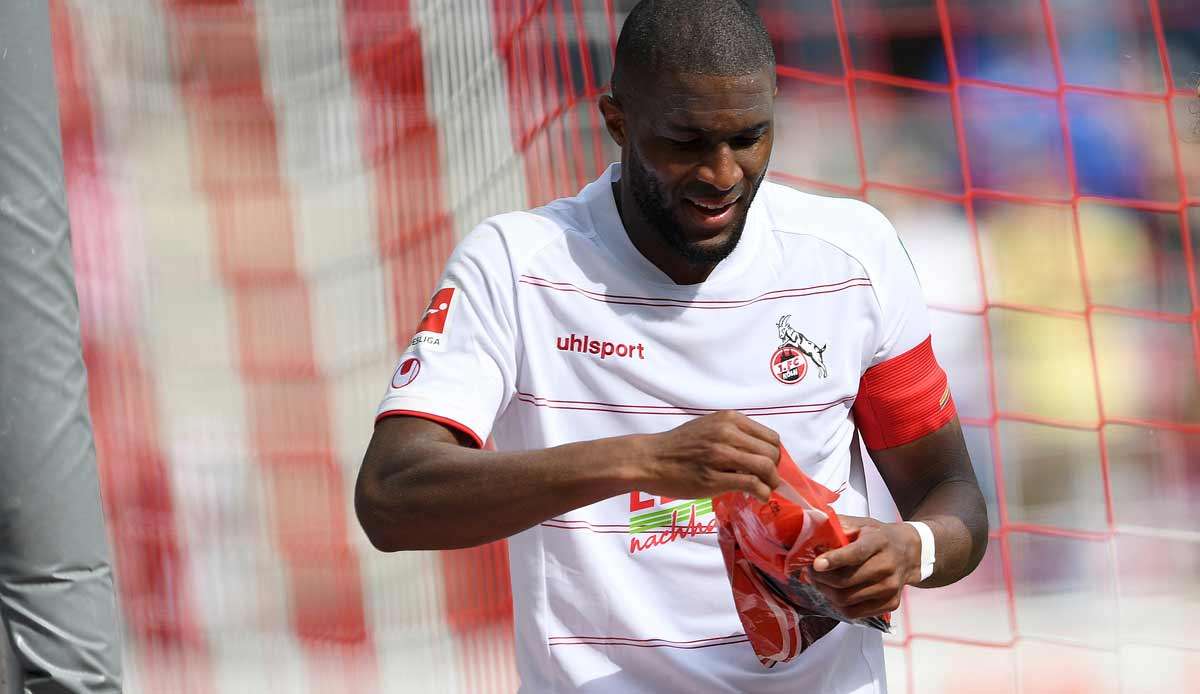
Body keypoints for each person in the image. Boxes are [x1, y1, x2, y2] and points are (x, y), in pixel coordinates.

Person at [355, 1, 988, 691]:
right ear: (617, 120)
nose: (721, 175)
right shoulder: (515, 263)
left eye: (749, 137)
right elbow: (390, 499)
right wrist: (643, 460)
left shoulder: (852, 254)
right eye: (686, 142)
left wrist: (910, 549)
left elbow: (949, 492)